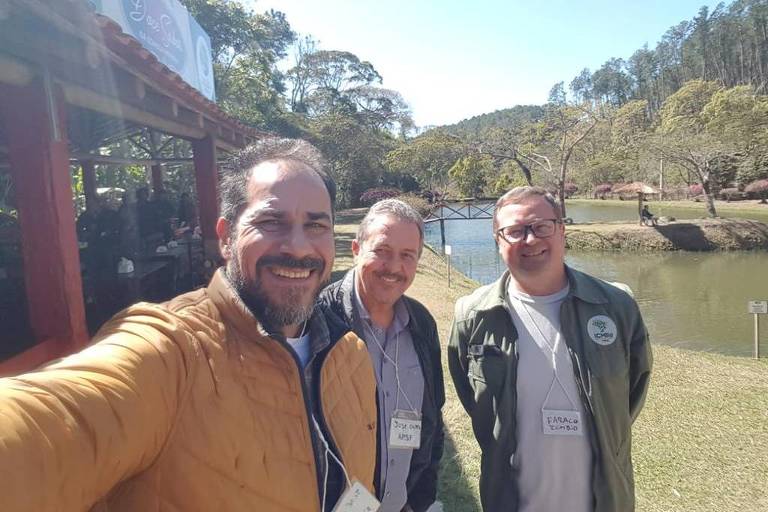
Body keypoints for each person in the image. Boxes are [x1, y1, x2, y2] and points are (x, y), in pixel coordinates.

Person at [0, 137, 379, 512]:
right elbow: (55, 417)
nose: (298, 247)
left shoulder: (350, 355)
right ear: (226, 238)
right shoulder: (171, 350)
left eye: (316, 226)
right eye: (270, 221)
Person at [448, 186, 652, 512]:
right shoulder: (472, 315)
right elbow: (474, 400)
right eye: (514, 231)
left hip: (603, 502)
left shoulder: (616, 306)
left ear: (561, 230)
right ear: (498, 242)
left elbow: (631, 393)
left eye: (542, 226)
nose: (530, 239)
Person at [319, 199, 445, 512]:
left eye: (407, 256)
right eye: (382, 251)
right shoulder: (319, 321)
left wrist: (419, 499)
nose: (394, 267)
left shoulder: (421, 324)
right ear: (356, 249)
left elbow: (432, 419)